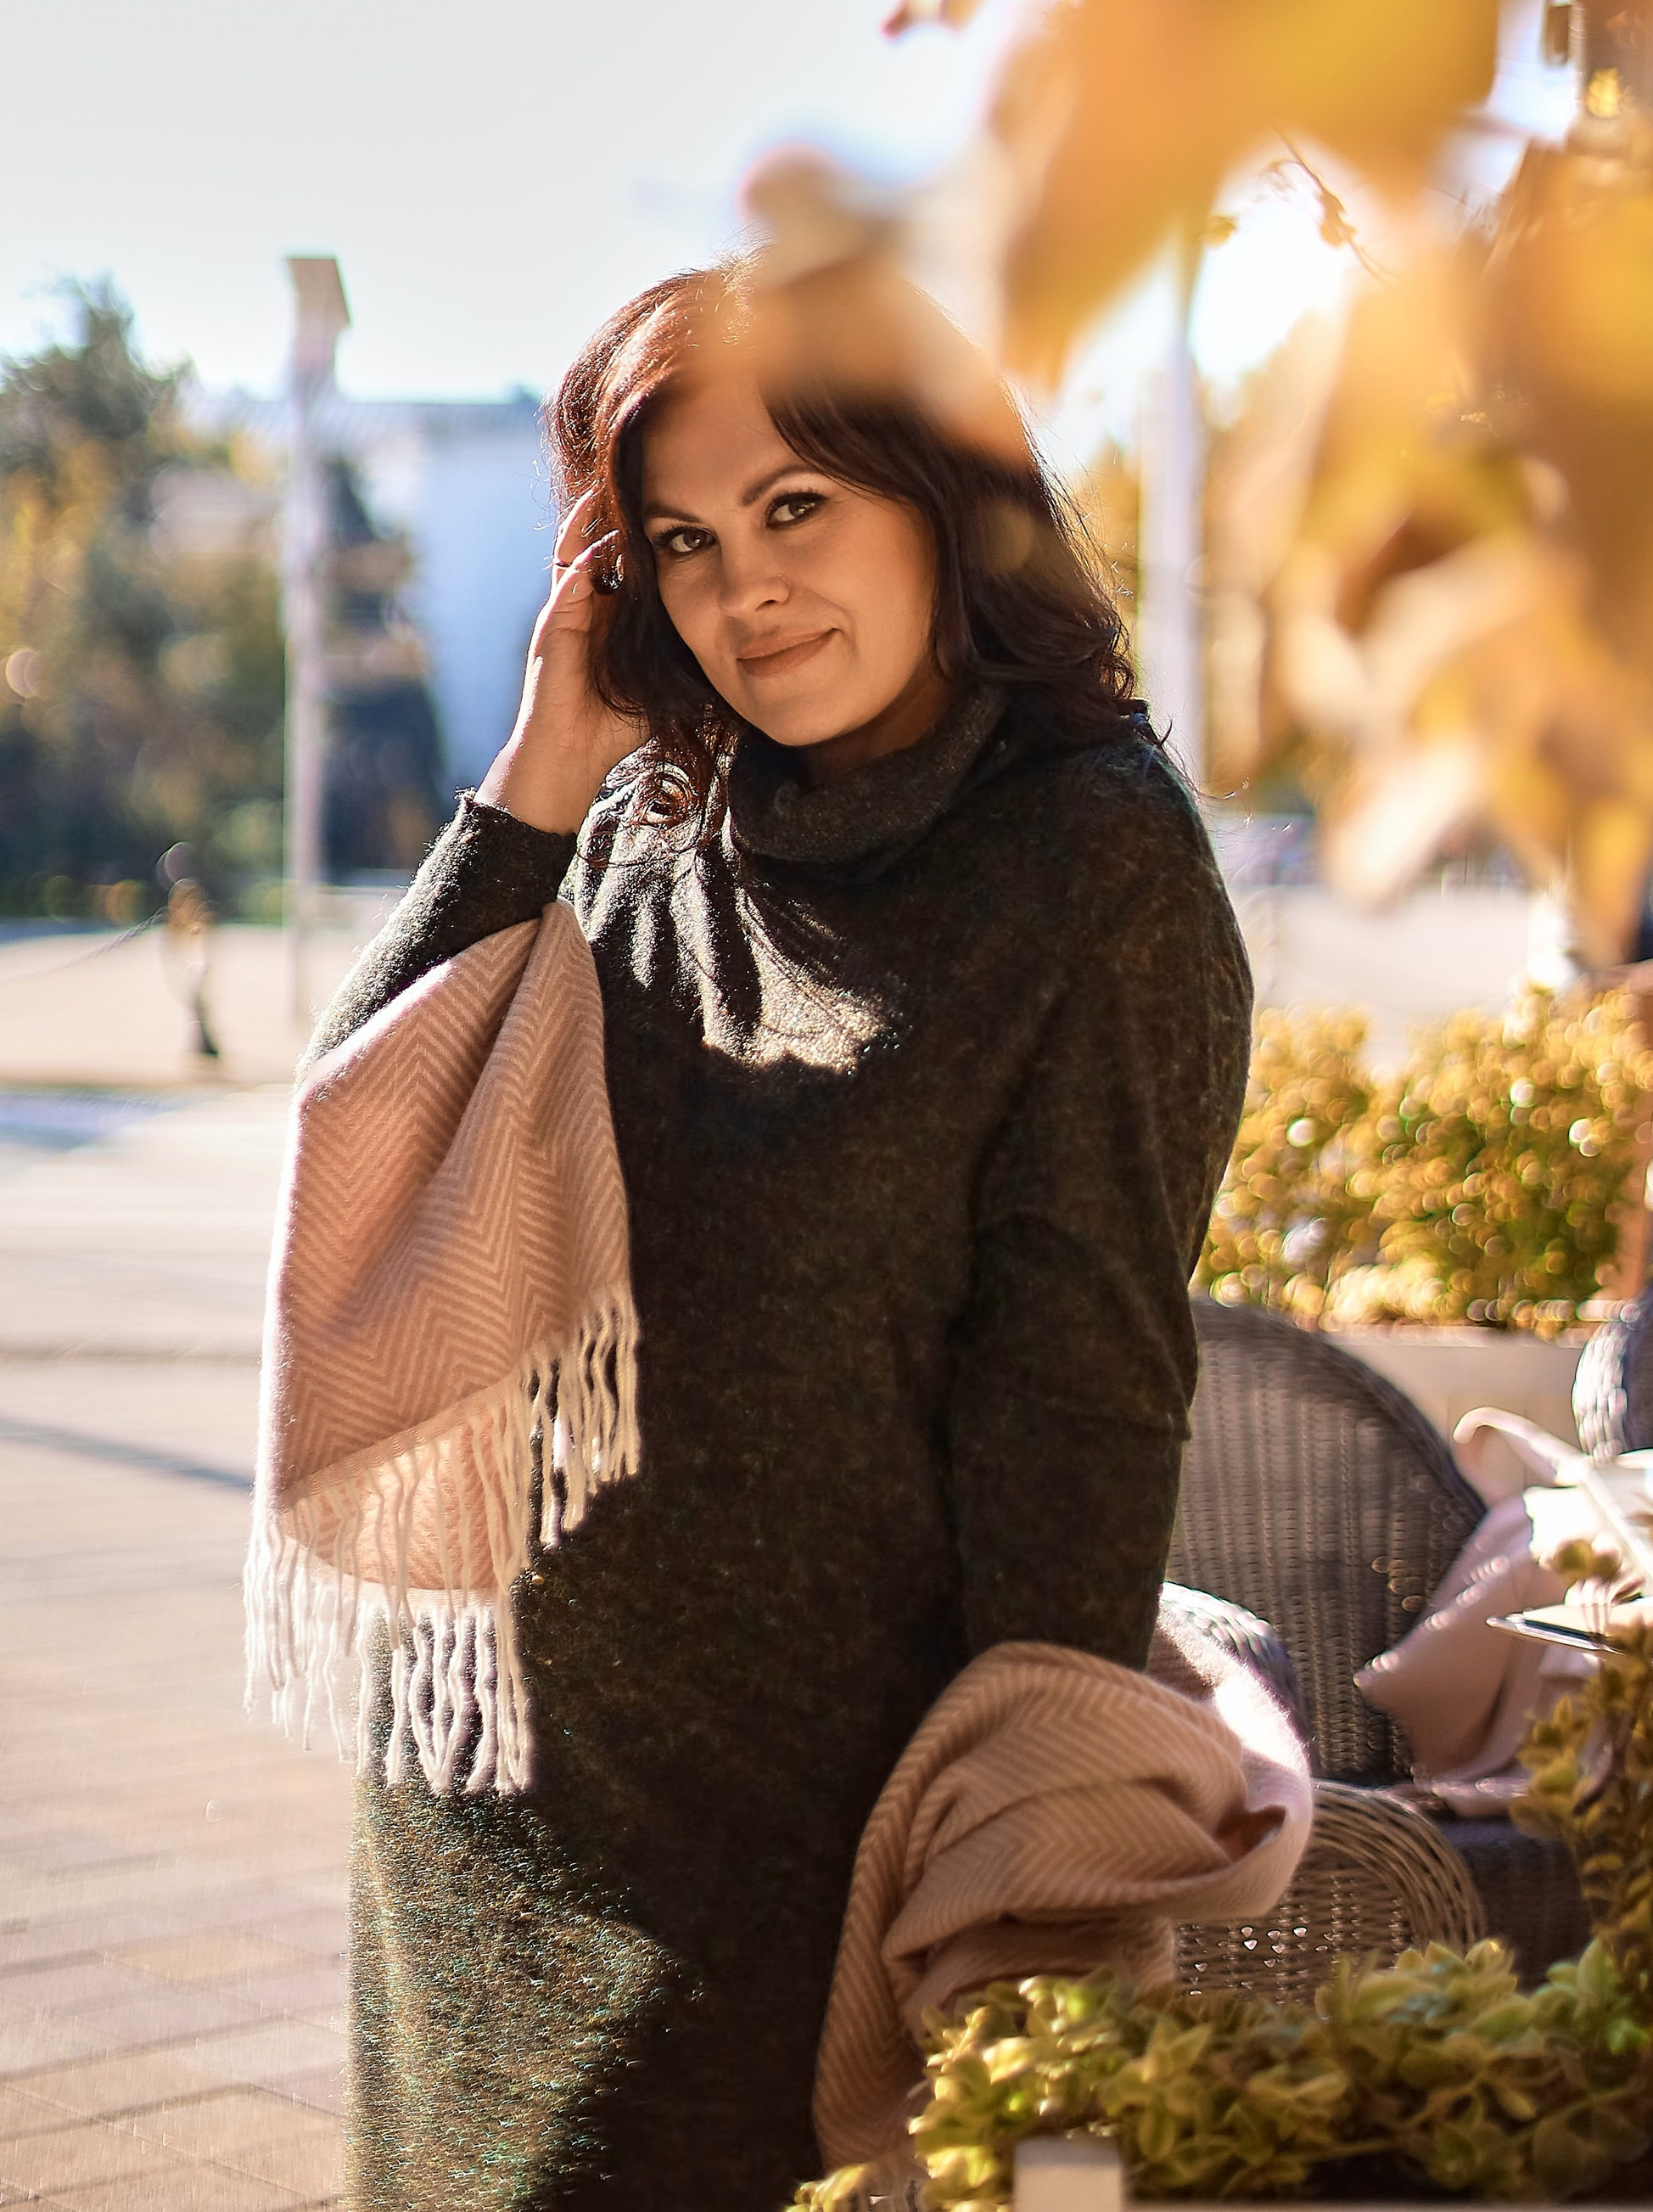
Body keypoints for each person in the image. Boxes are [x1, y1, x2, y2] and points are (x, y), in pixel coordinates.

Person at [317, 260, 1252, 2212]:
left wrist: (1029, 1889)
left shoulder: (1092, 861)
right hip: (486, 1818)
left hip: (794, 1860)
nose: (744, 590)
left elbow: (1078, 1402)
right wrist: (543, 763)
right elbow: (369, 1151)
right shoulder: (649, 826)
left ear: (946, 495)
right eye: (680, 541)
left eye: (795, 506)